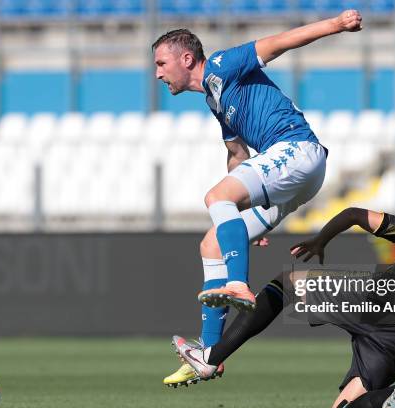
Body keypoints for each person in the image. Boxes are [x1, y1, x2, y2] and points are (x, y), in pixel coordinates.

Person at [154, 12, 363, 386]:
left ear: (186, 59)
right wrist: (241, 212)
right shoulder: (215, 101)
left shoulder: (221, 65)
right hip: (293, 174)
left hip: (297, 149)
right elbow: (238, 158)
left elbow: (281, 42)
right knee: (214, 241)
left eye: (161, 63)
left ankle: (238, 284)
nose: (158, 73)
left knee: (216, 197)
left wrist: (336, 24)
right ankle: (210, 355)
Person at [173, 208, 395, 408]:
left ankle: (211, 357)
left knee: (287, 284)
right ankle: (387, 397)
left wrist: (321, 240)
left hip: (381, 300)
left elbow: (355, 213)